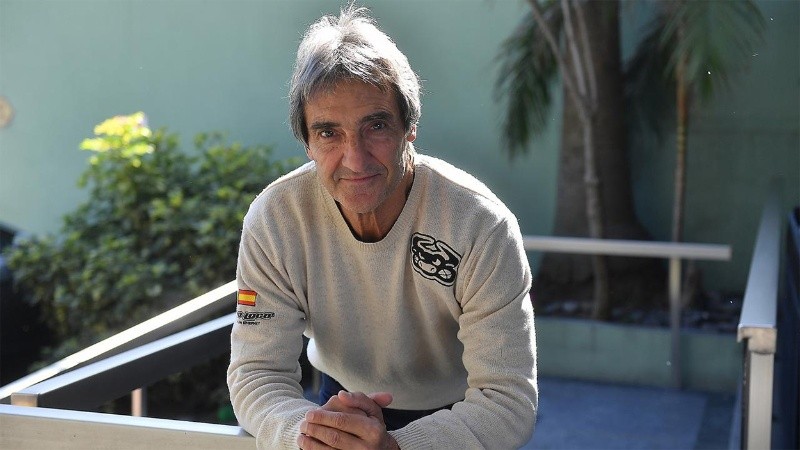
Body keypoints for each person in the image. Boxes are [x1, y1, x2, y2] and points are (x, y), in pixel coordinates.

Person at [227, 5, 537, 449]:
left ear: (410, 127)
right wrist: (310, 434)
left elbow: (507, 401)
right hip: (334, 402)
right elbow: (256, 373)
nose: (355, 160)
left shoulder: (480, 224)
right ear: (307, 142)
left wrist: (397, 446)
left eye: (375, 126)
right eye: (329, 133)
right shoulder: (276, 219)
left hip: (462, 416)